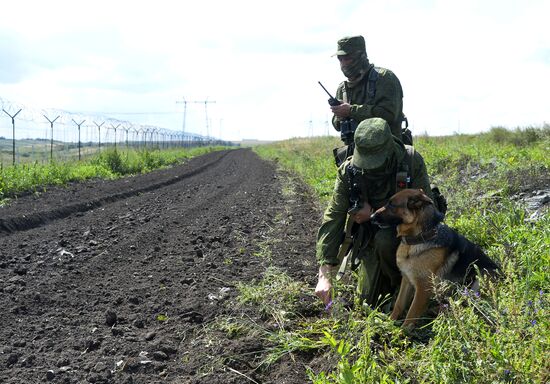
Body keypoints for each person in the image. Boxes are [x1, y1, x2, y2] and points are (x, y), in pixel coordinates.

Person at [315, 117, 434, 309]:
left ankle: (405, 287)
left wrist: (383, 214)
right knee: (368, 303)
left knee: (386, 240)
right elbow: (334, 216)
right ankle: (389, 280)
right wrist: (324, 275)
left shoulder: (410, 161)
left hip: (407, 234)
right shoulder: (349, 170)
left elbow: (429, 212)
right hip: (369, 236)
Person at [330, 35, 407, 144]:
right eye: (340, 59)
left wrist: (351, 111)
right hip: (355, 153)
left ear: (361, 56)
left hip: (386, 150)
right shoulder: (343, 89)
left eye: (348, 58)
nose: (344, 63)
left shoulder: (384, 78)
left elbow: (389, 114)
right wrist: (339, 115)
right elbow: (337, 125)